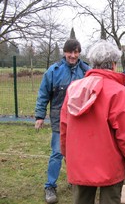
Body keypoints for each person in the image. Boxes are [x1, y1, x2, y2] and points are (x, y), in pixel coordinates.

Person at [60, 40, 125, 204]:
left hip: (80, 165)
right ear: (113, 64)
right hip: (111, 168)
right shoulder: (120, 92)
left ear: (92, 63)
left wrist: (66, 155)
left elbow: (64, 128)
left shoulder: (73, 89)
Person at [34, 39, 90, 204]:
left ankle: (77, 181)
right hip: (60, 120)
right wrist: (39, 116)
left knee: (78, 153)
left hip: (80, 120)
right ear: (64, 52)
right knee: (57, 153)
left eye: (76, 52)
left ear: (79, 53)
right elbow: (43, 94)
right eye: (69, 52)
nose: (72, 56)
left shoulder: (87, 71)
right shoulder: (53, 71)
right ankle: (50, 186)